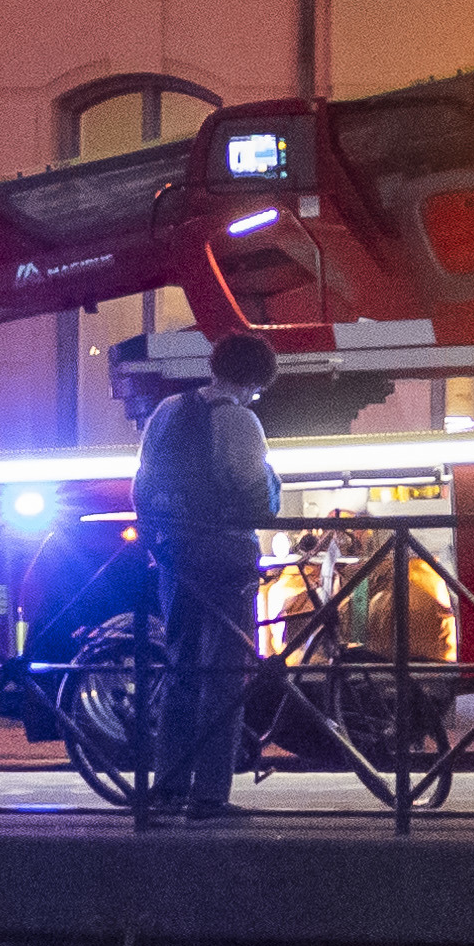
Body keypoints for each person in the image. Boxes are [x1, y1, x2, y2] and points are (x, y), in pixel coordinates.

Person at [129, 326, 286, 823]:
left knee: (180, 670)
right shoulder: (239, 420)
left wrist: (158, 541)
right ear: (256, 380)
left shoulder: (168, 411)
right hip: (225, 557)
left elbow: (141, 482)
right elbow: (255, 495)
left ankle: (169, 786)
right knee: (223, 675)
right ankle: (210, 796)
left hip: (175, 557)